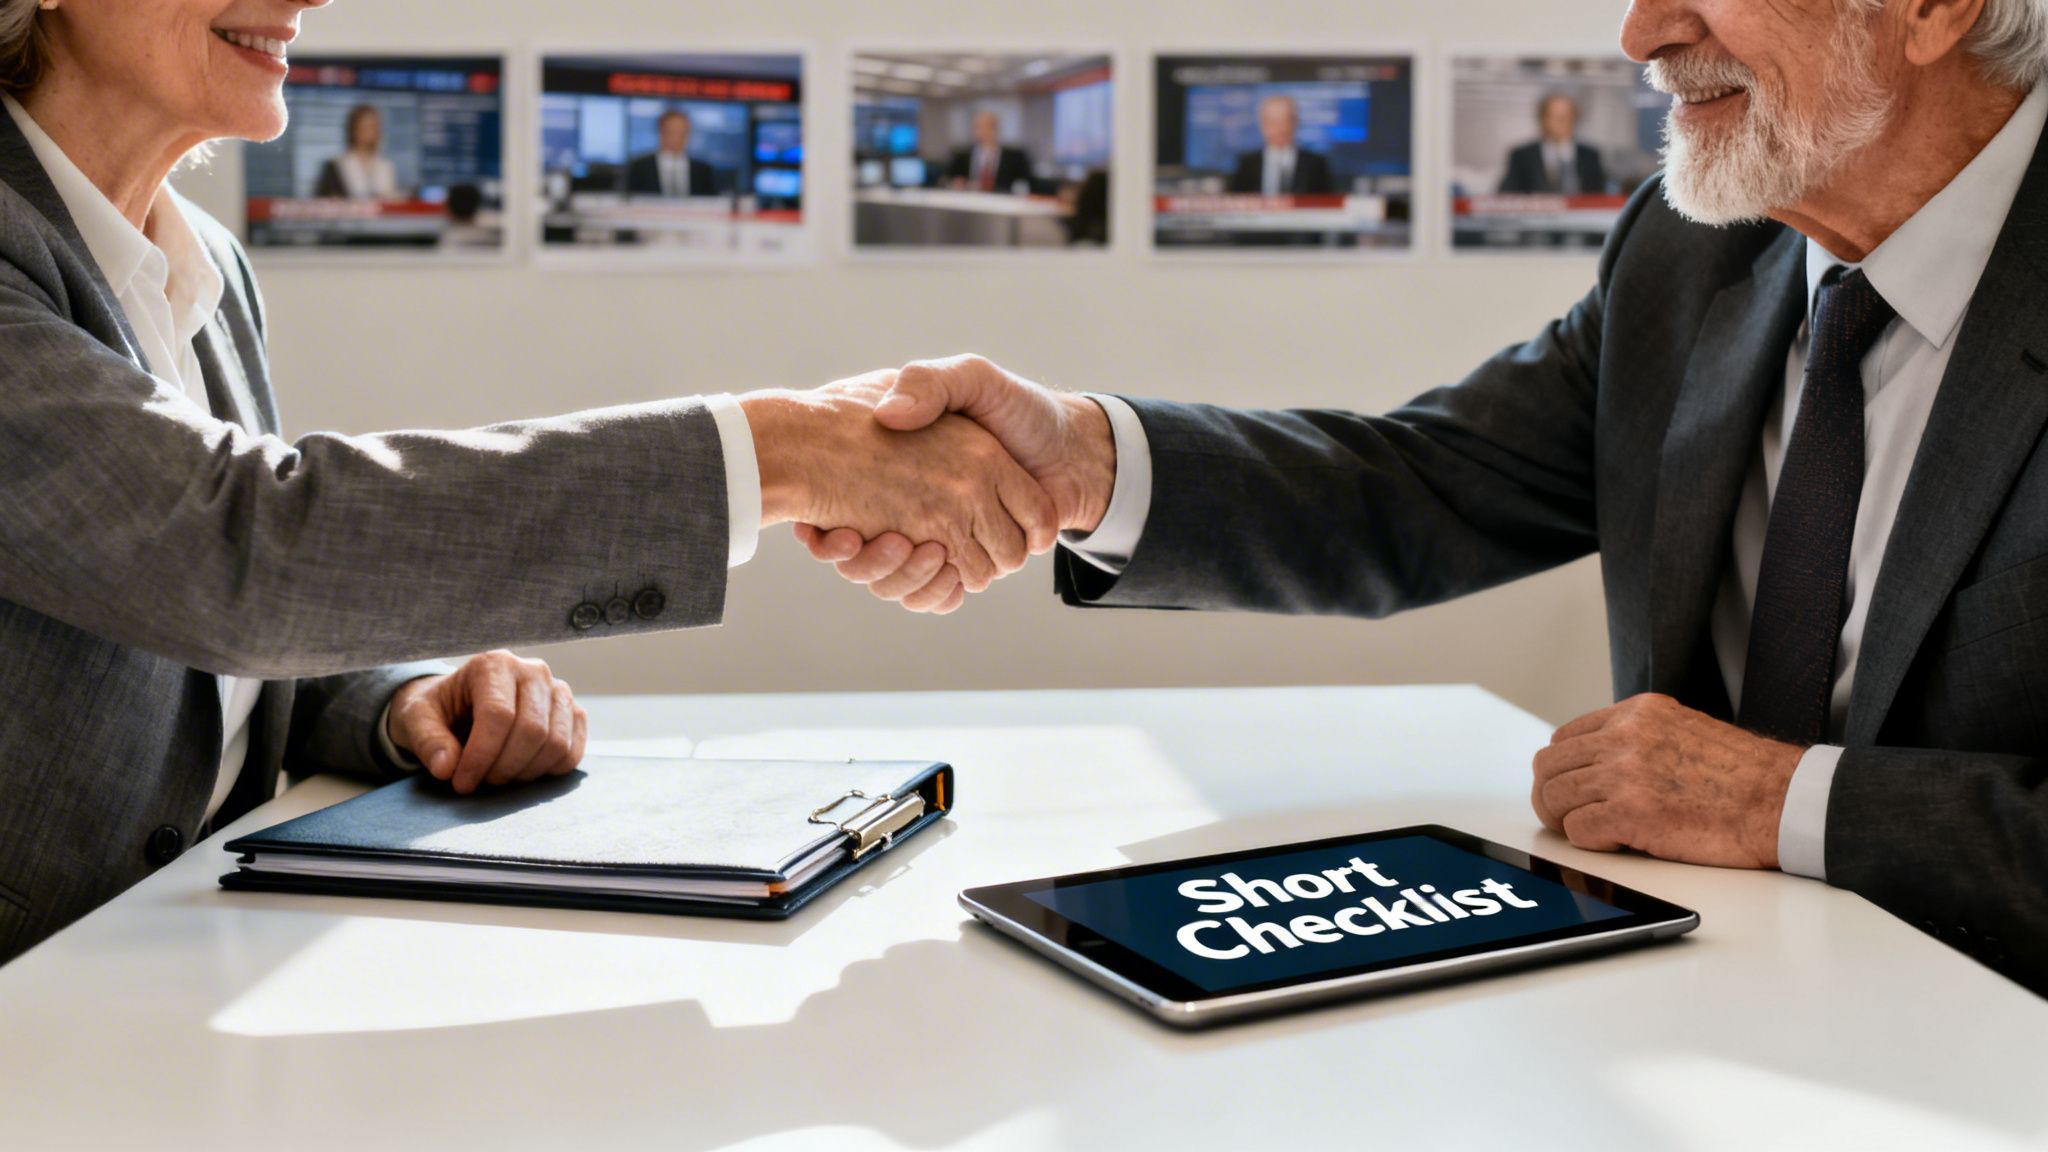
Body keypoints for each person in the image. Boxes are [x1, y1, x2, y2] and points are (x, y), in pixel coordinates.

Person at [809, 0, 2048, 993]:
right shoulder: (1691, 253)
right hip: (1702, 1008)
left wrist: (1782, 803)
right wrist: (1081, 458)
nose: (1640, 32)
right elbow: (1428, 484)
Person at [0, 0, 1055, 964]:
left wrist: (397, 700)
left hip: (162, 980)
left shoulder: (208, 271)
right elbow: (237, 553)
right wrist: (781, 451)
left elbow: (188, 626)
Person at [1499, 92, 1610, 195]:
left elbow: (1601, 193)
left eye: (1567, 116)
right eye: (1555, 116)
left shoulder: (1590, 156)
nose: (1561, 121)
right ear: (1543, 119)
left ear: (1575, 118)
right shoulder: (1522, 156)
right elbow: (1507, 194)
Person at [1225, 94, 1334, 196]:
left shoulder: (1315, 164)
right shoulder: (1247, 164)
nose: (1280, 129)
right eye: (1272, 122)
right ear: (1262, 124)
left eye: (1285, 121)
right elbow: (1234, 202)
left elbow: (1327, 205)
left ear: (1295, 122)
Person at [624, 109, 720, 198]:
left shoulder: (703, 170)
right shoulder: (639, 167)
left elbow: (713, 203)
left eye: (683, 132)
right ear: (661, 132)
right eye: (673, 131)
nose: (679, 137)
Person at [312, 102, 399, 200]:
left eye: (374, 126)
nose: (371, 131)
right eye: (366, 126)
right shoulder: (335, 166)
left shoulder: (386, 166)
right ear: (354, 129)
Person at [944, 110, 1034, 194]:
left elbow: (1025, 184)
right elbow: (946, 180)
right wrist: (957, 183)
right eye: (977, 127)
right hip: (970, 201)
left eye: (987, 126)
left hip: (1003, 203)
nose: (982, 131)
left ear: (996, 128)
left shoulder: (1015, 156)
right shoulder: (961, 155)